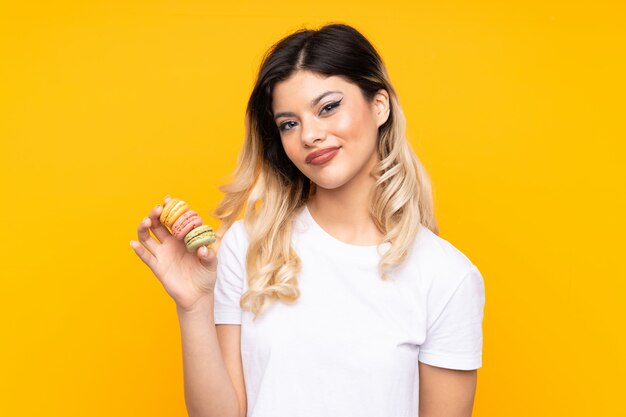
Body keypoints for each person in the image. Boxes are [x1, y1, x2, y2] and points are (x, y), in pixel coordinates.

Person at [131, 23, 486, 417]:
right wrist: (194, 306)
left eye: (328, 107)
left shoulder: (446, 276)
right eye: (289, 123)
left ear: (379, 105)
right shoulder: (247, 247)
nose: (310, 135)